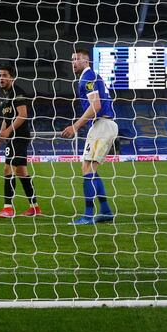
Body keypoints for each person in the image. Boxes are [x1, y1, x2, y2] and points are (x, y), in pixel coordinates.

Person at [61, 49, 117, 225]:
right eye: (72, 59)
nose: (73, 63)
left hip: (103, 123)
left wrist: (75, 126)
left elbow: (96, 105)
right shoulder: (91, 76)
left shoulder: (87, 78)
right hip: (105, 124)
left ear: (86, 62)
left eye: (77, 59)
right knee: (89, 167)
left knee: (87, 167)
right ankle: (106, 211)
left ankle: (88, 215)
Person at [0, 65, 41, 218]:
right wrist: (0, 136)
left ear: (12, 77)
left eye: (4, 75)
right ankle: (34, 208)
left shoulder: (17, 92)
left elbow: (23, 115)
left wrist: (8, 131)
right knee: (21, 172)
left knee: (8, 169)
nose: (1, 78)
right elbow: (6, 120)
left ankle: (8, 208)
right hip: (13, 136)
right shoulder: (3, 96)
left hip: (19, 136)